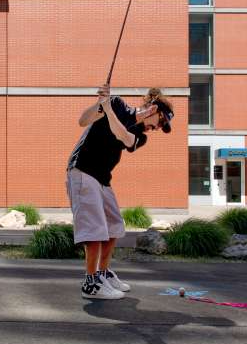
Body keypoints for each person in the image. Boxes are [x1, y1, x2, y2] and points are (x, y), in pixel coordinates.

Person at [66, 84, 174, 299]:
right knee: (95, 228)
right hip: (83, 169)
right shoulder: (116, 104)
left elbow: (122, 135)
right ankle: (91, 284)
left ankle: (102, 274)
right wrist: (101, 104)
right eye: (161, 122)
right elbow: (83, 121)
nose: (158, 128)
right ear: (154, 109)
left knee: (114, 225)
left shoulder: (140, 135)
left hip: (102, 178)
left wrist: (108, 110)